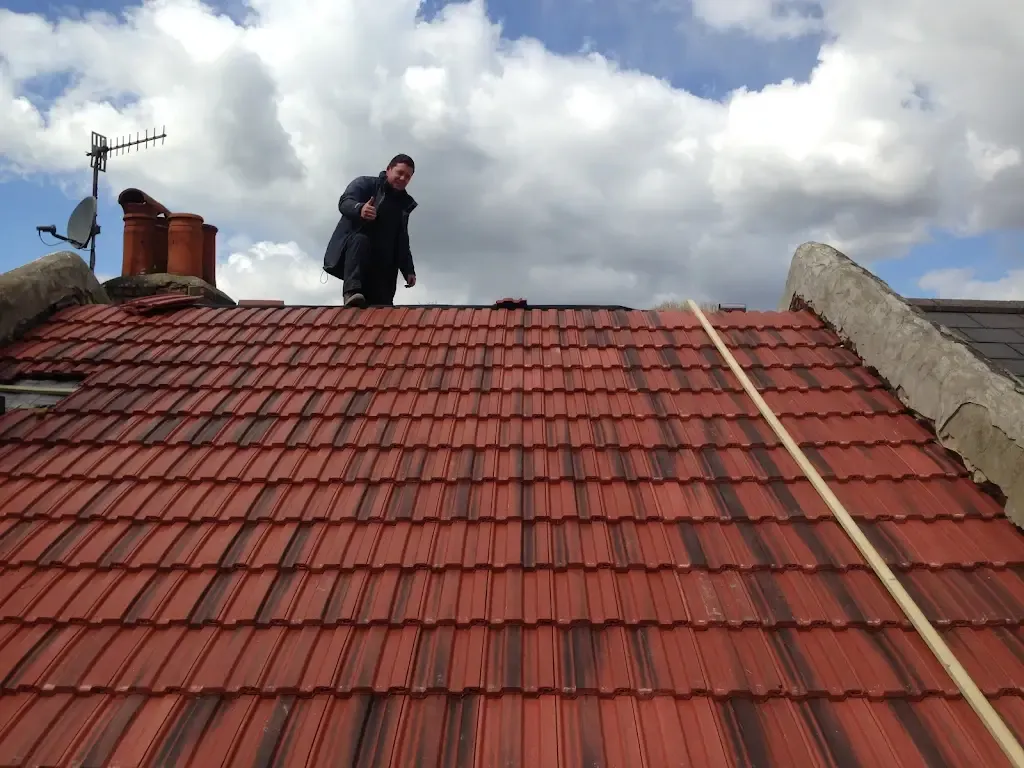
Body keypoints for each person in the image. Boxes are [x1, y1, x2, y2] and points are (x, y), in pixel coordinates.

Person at [323, 154, 418, 307]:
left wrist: (408, 270)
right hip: (358, 258)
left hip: (383, 268)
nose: (402, 178)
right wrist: (360, 209)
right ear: (388, 169)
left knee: (382, 314)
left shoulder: (403, 205)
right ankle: (352, 292)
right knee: (361, 239)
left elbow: (402, 240)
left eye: (407, 177)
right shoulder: (365, 184)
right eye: (399, 173)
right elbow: (345, 202)